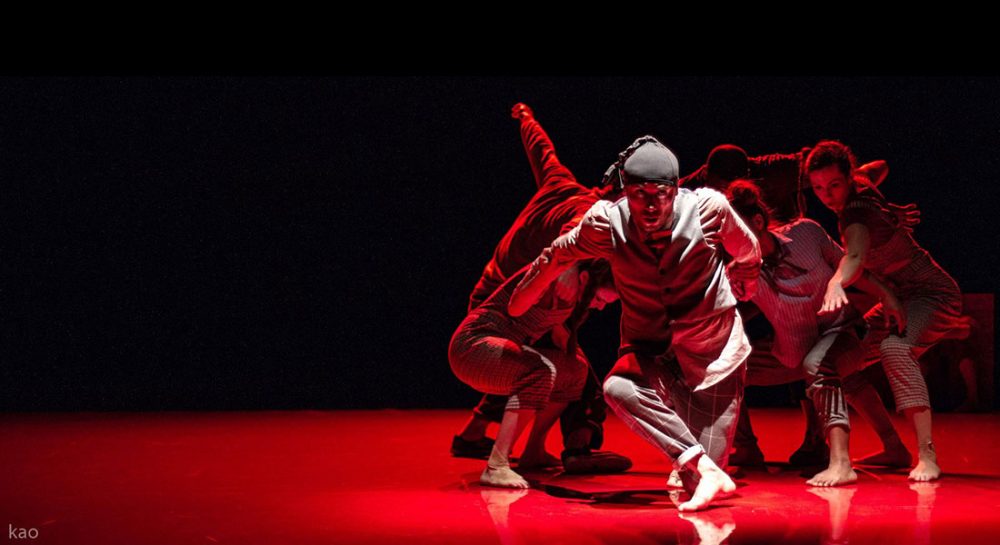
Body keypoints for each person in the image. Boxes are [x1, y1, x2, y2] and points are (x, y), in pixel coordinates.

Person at [509, 136, 761, 511]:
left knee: (696, 484)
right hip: (651, 350)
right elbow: (558, 254)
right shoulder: (605, 223)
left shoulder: (710, 208)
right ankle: (701, 464)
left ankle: (698, 466)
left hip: (713, 356)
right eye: (639, 193)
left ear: (675, 189)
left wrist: (747, 272)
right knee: (617, 388)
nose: (650, 203)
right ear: (625, 191)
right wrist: (522, 299)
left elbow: (749, 249)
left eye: (660, 192)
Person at [451, 103, 631, 474]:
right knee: (561, 371)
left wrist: (525, 119)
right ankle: (576, 445)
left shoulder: (559, 182)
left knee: (540, 364)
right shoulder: (588, 219)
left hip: (490, 293)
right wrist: (568, 273)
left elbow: (542, 150)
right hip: (525, 298)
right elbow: (568, 246)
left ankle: (475, 433)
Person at [807, 140, 971, 481]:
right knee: (841, 365)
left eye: (835, 185)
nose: (827, 195)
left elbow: (853, 257)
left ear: (849, 178)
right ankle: (894, 448)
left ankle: (927, 456)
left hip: (933, 293)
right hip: (897, 298)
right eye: (819, 188)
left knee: (894, 348)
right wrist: (886, 205)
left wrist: (837, 283)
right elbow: (880, 165)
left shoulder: (855, 216)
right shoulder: (864, 182)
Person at [726, 181, 908, 486]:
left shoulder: (806, 234)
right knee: (728, 369)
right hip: (791, 351)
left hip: (845, 332)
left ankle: (840, 463)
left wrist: (887, 296)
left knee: (821, 364)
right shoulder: (740, 270)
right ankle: (744, 448)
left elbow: (849, 267)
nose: (730, 241)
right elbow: (726, 307)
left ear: (757, 222)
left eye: (735, 230)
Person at [450, 260, 618, 488]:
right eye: (599, 299)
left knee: (575, 370)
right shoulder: (552, 279)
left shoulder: (569, 298)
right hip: (472, 347)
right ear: (585, 279)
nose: (599, 307)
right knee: (539, 370)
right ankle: (496, 465)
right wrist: (556, 273)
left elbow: (556, 333)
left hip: (501, 348)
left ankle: (534, 451)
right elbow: (516, 307)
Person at [680, 143, 890, 225]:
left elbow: (851, 173)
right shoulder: (689, 190)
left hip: (789, 250)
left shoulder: (774, 172)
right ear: (708, 177)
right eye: (721, 190)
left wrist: (870, 202)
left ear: (749, 175)